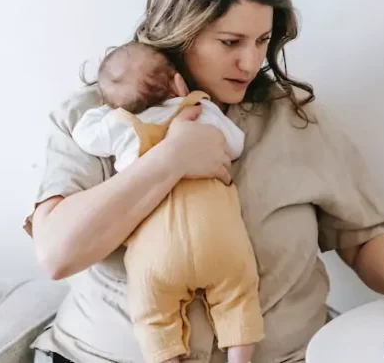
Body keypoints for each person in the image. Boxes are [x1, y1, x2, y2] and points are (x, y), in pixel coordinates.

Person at [24, 0, 384, 362]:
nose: (250, 62)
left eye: (262, 41)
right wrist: (169, 160)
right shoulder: (95, 120)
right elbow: (58, 253)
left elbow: (362, 234)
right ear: (178, 33)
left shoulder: (295, 121)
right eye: (230, 42)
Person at [70, 41, 263, 363]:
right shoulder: (202, 110)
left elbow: (85, 135)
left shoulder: (122, 126)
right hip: (218, 238)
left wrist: (110, 107)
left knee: (152, 315)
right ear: (178, 82)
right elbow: (236, 145)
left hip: (157, 252)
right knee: (239, 296)